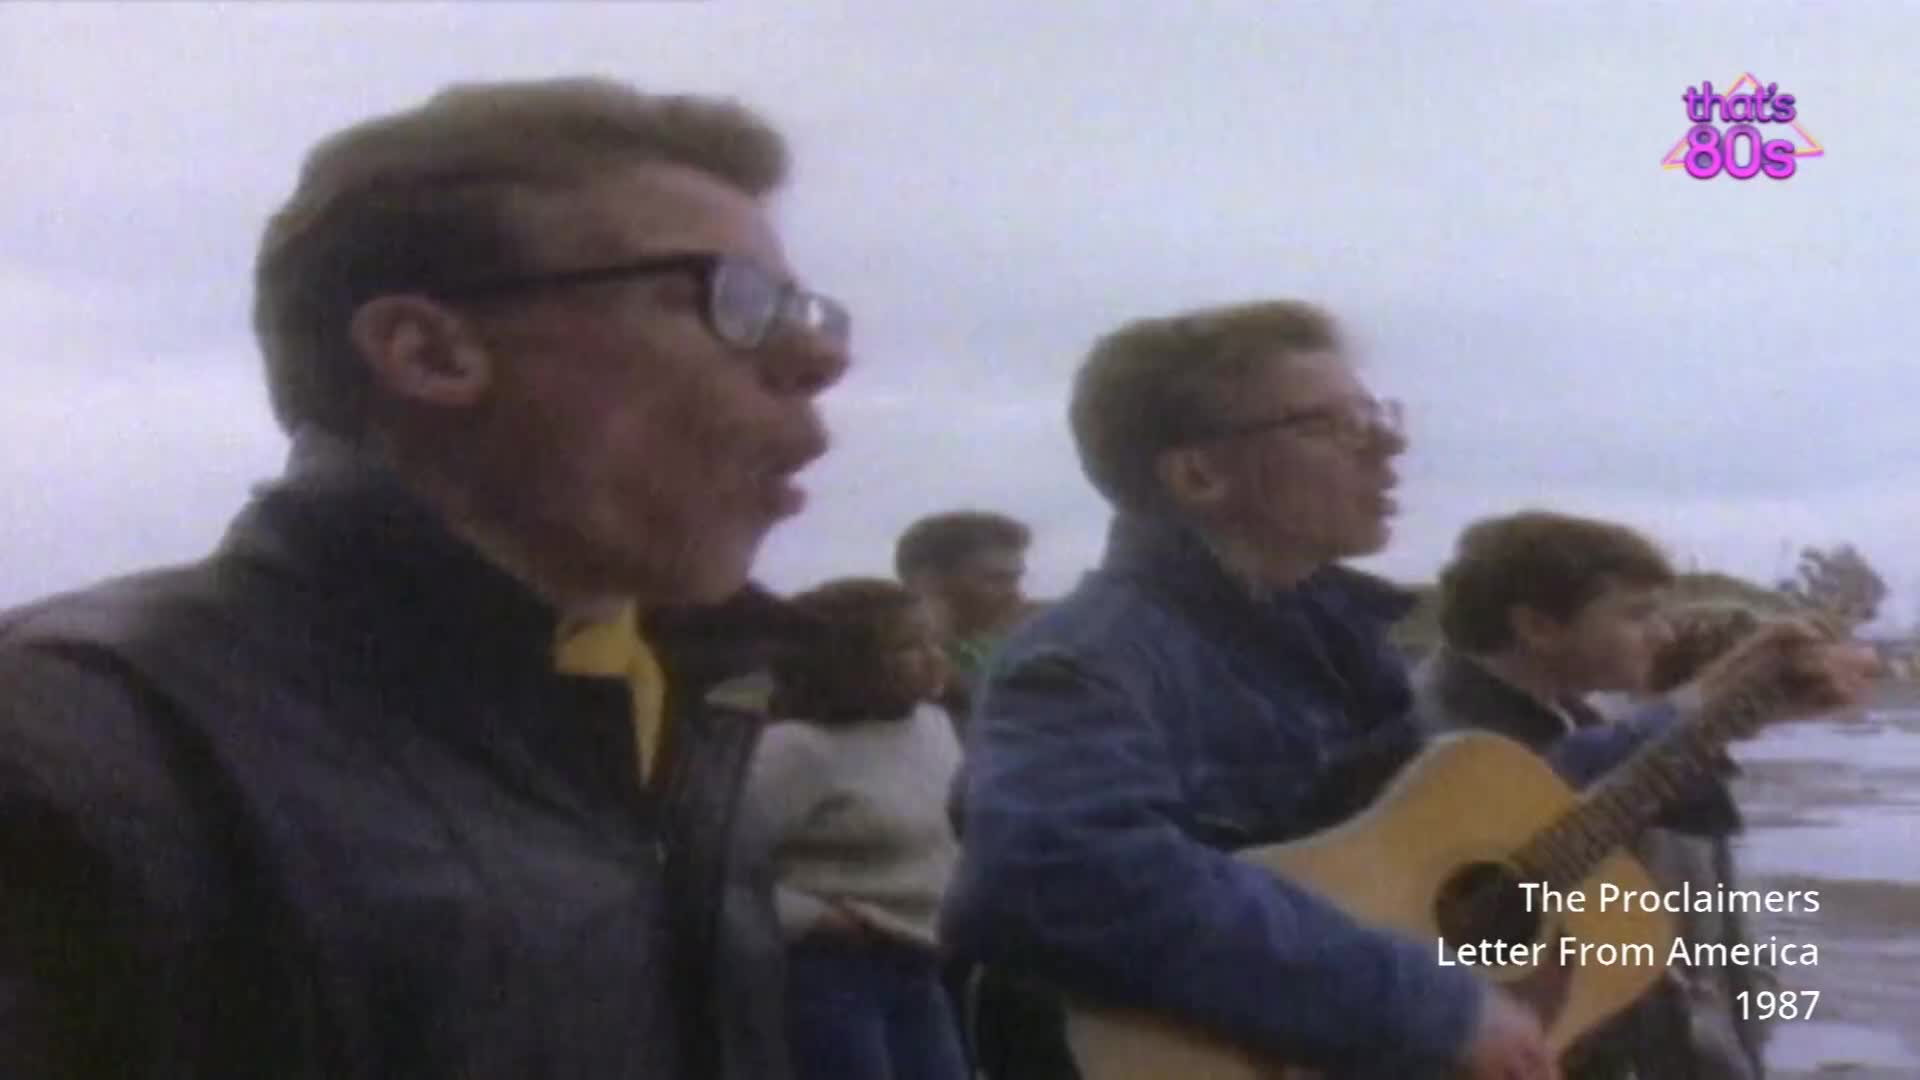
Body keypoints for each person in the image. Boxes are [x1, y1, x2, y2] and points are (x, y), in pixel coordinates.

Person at [0, 77, 849, 1078]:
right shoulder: (85, 739)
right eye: (732, 298)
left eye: (803, 309)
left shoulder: (689, 705)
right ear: (430, 353)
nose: (817, 356)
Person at [938, 299, 1869, 1078]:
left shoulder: (1336, 648)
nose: (1387, 445)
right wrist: (1430, 1005)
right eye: (1331, 425)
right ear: (1198, 473)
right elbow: (1056, 872)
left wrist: (1711, 710)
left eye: (1377, 414)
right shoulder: (1090, 656)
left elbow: (1464, 820)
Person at [1412, 511, 1760, 1078]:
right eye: (1637, 614)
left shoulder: (1569, 721)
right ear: (1538, 627)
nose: (1664, 634)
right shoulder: (1439, 741)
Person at [736, 578, 969, 1080]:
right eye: (908, 646)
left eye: (935, 641)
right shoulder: (796, 750)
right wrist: (811, 917)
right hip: (830, 971)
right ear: (850, 659)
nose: (934, 658)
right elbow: (709, 866)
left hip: (921, 963)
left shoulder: (933, 726)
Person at [895, 509, 1034, 725]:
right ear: (929, 582)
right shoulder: (880, 669)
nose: (1016, 595)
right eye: (995, 580)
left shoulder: (987, 653)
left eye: (1015, 580)